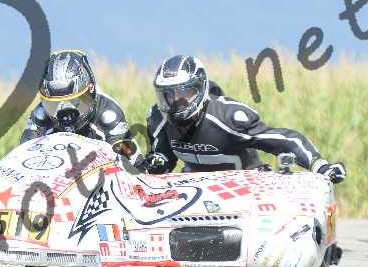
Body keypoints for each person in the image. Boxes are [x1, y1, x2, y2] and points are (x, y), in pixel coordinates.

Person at [143, 55, 347, 181]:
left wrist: (321, 166)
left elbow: (286, 140)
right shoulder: (158, 118)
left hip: (247, 187)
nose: (175, 103)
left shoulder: (229, 116)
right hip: (194, 190)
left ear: (200, 89)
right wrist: (155, 164)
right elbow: (163, 162)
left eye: (183, 94)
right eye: (167, 96)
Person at [20, 49, 135, 152]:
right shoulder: (40, 116)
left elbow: (131, 161)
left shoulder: (109, 115)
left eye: (76, 103)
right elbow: (23, 154)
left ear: (91, 89)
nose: (67, 117)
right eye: (54, 105)